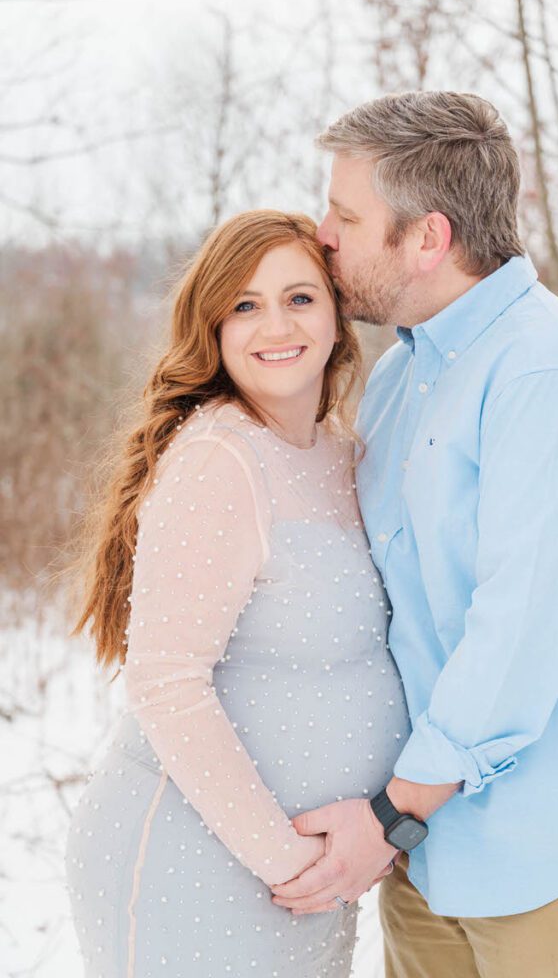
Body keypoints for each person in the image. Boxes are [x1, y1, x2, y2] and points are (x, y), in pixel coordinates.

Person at [269, 92, 558, 978]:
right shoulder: (398, 380)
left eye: (346, 214)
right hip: (428, 853)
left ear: (428, 237)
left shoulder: (552, 373)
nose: (323, 232)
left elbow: (520, 626)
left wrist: (390, 813)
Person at [64, 209, 410, 978]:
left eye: (299, 297)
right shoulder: (220, 457)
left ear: (335, 313)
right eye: (244, 305)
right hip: (202, 864)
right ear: (213, 328)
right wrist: (285, 860)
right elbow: (165, 681)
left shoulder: (344, 455)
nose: (274, 324)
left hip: (313, 881)